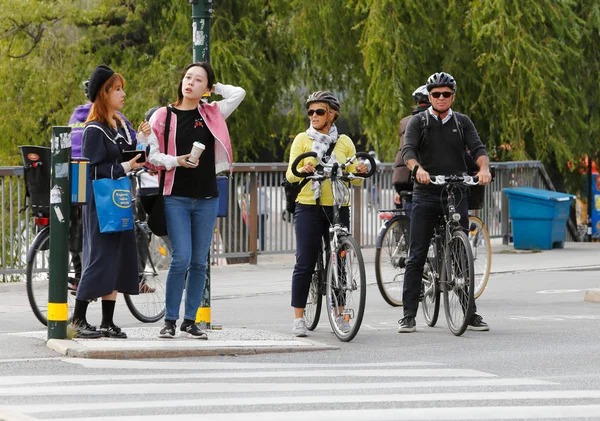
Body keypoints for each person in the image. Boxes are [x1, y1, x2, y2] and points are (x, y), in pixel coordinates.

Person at [146, 62, 245, 339]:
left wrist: (216, 88)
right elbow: (152, 156)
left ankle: (191, 321)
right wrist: (176, 161)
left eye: (199, 80)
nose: (190, 82)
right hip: (175, 196)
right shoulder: (163, 116)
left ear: (206, 88)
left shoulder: (212, 113)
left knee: (200, 261)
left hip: (207, 197)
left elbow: (239, 93)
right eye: (188, 77)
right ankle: (169, 320)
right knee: (182, 259)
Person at [399, 72, 492, 333]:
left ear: (453, 96)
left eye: (446, 94)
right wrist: (417, 169)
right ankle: (408, 315)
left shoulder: (462, 122)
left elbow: (479, 150)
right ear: (429, 96)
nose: (441, 98)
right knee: (416, 254)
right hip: (427, 193)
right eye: (436, 94)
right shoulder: (419, 122)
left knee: (461, 252)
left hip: (456, 191)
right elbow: (408, 151)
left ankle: (469, 312)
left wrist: (483, 169)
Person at [72, 64, 146, 339]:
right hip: (101, 201)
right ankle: (78, 318)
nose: (122, 93)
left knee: (118, 258)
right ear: (104, 94)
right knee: (101, 257)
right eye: (117, 89)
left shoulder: (117, 126)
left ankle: (107, 321)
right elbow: (93, 169)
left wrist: (142, 144)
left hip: (118, 198)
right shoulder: (94, 129)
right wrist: (125, 167)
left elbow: (123, 158)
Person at [286, 91, 367, 337]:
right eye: (310, 111)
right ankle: (299, 319)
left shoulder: (345, 143)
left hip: (338, 207)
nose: (313, 116)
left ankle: (341, 314)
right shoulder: (302, 139)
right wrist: (303, 168)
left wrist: (360, 170)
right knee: (305, 261)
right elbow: (290, 174)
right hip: (309, 206)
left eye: (319, 111)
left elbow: (355, 179)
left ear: (331, 114)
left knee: (340, 262)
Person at [392, 85, 431, 209]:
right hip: (420, 177)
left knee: (409, 219)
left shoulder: (405, 121)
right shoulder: (429, 120)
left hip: (401, 179)